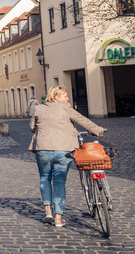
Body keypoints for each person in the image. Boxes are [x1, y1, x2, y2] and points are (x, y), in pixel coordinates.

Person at [29, 85, 104, 228]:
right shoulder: (66, 108)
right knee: (59, 181)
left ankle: (47, 211)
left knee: (45, 178)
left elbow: (32, 127)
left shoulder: (39, 109)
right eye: (65, 95)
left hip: (43, 150)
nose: (68, 98)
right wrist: (98, 130)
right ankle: (58, 217)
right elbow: (84, 121)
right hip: (63, 150)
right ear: (56, 96)